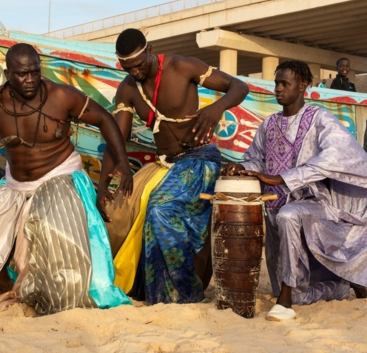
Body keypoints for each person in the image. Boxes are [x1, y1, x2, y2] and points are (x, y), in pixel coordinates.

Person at [0, 43, 133, 315]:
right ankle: (7, 289)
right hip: (15, 185)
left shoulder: (62, 95)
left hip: (60, 178)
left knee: (51, 235)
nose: (30, 80)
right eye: (22, 74)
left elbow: (104, 119)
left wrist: (122, 160)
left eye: (35, 72)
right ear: (8, 74)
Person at [97, 28, 249, 305]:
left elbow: (240, 86)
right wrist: (103, 185)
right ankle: (158, 296)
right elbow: (116, 138)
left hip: (199, 159)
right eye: (128, 68)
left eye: (139, 64)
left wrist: (216, 109)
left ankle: (186, 294)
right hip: (164, 166)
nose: (136, 72)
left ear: (150, 50)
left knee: (160, 209)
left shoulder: (182, 66)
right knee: (122, 212)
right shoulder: (128, 87)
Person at [223, 60, 367, 321]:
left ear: (302, 86)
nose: (277, 89)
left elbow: (338, 153)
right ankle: (341, 285)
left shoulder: (318, 118)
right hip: (273, 208)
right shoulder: (269, 124)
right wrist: (241, 166)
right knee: (301, 291)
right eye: (276, 83)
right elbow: (257, 159)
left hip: (315, 203)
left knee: (289, 215)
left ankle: (285, 301)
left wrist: (284, 178)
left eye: (284, 83)